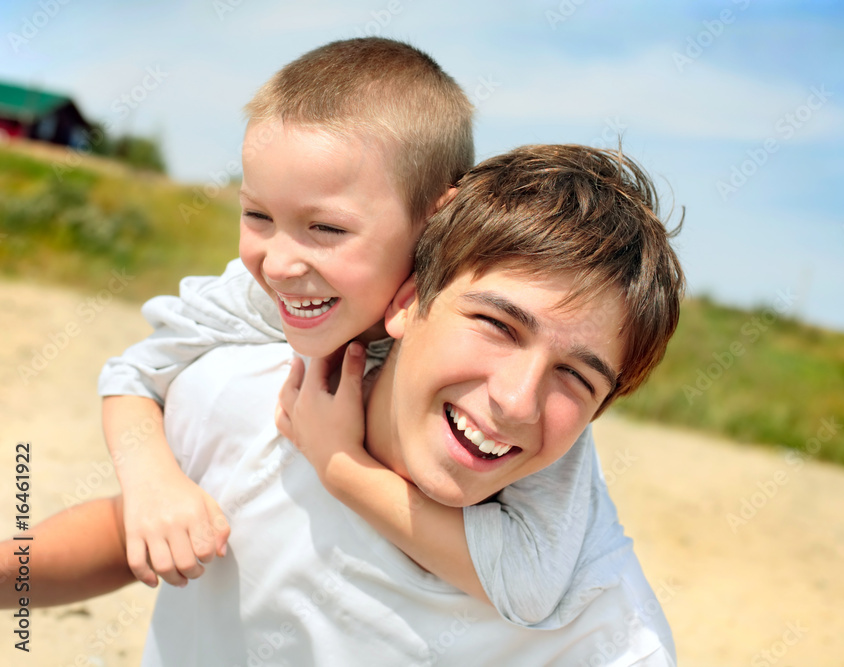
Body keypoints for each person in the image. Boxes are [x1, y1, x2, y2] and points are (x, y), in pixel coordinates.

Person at [1, 143, 683, 665]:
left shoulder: (603, 625)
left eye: (576, 377)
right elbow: (134, 532)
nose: (515, 400)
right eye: (498, 325)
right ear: (408, 296)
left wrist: (340, 465)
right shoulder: (262, 395)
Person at [97, 36, 628, 627]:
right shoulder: (261, 293)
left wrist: (340, 465)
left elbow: (530, 584)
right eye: (258, 216)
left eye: (324, 228)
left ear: (437, 220)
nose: (278, 264)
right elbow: (135, 374)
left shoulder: (507, 383)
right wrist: (151, 483)